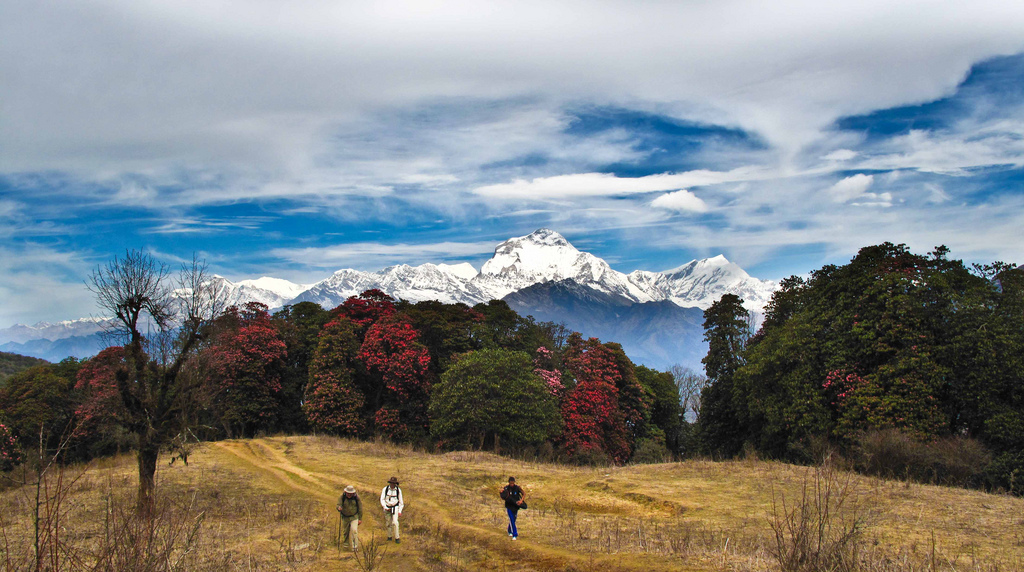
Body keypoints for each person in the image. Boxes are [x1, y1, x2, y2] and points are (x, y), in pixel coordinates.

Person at [336, 485, 363, 550]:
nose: (349, 495)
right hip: (345, 517)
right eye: (348, 493)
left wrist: (360, 519)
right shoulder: (342, 497)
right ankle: (346, 545)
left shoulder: (356, 498)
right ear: (345, 492)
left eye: (350, 493)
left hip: (354, 516)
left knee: (354, 531)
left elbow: (360, 508)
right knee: (345, 531)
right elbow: (338, 505)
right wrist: (339, 508)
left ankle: (355, 547)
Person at [379, 476, 404, 543]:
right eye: (391, 483)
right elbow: (382, 499)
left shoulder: (398, 490)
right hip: (387, 507)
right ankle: (389, 536)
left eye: (393, 483)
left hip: (395, 508)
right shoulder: (385, 489)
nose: (392, 484)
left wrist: (399, 511)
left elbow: (401, 502)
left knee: (395, 522)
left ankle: (397, 537)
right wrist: (385, 507)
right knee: (388, 523)